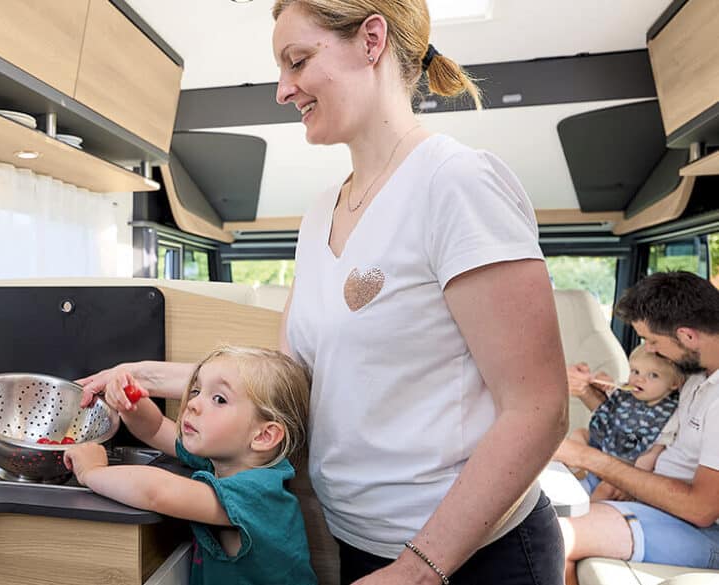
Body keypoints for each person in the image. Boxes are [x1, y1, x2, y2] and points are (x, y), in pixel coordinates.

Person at [82, 1, 570, 582]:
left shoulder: (456, 183)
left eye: (298, 60)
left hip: (468, 559)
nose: (283, 90)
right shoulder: (319, 217)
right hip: (365, 544)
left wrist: (417, 569)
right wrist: (149, 374)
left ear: (370, 41)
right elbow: (292, 379)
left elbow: (539, 411)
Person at [64, 346, 318, 585]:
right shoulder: (227, 460)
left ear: (263, 436)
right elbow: (155, 429)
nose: (193, 404)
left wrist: (92, 472)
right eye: (196, 391)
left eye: (219, 399)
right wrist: (131, 405)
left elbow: (157, 493)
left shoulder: (259, 495)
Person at [554, 271, 719, 584]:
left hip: (704, 531)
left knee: (553, 536)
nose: (651, 351)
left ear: (687, 336)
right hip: (663, 507)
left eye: (653, 342)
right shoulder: (697, 376)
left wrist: (590, 459)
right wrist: (587, 390)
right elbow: (635, 421)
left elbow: (701, 509)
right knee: (538, 518)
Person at [566, 345, 684, 500]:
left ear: (674, 383)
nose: (639, 379)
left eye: (653, 375)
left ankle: (589, 514)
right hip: (604, 446)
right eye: (635, 371)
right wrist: (600, 382)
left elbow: (652, 454)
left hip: (625, 467)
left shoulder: (667, 414)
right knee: (579, 433)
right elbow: (609, 398)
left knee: (605, 489)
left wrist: (633, 484)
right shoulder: (625, 395)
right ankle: (575, 471)